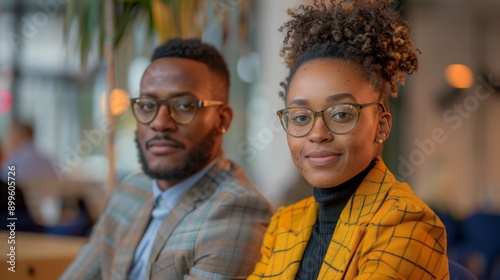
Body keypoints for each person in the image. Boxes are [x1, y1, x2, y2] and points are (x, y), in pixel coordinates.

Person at [249, 1, 449, 279]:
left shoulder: (408, 223)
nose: (317, 133)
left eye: (341, 114)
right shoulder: (284, 223)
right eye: (300, 117)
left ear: (381, 126)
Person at [62, 38, 273, 279]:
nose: (160, 122)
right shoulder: (129, 192)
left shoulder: (237, 210)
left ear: (222, 120)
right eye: (148, 105)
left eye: (183, 105)